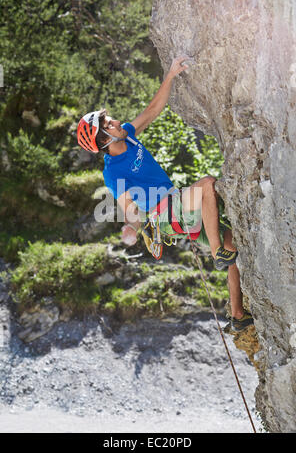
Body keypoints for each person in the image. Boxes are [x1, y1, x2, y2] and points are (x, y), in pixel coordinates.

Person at [77, 55, 254, 333]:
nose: (116, 121)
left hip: (175, 204)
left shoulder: (129, 135)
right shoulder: (112, 172)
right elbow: (128, 208)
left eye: (111, 119)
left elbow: (152, 110)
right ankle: (218, 251)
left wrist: (170, 75)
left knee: (235, 247)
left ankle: (237, 314)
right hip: (163, 215)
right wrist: (139, 228)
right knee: (207, 184)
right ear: (104, 140)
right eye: (110, 124)